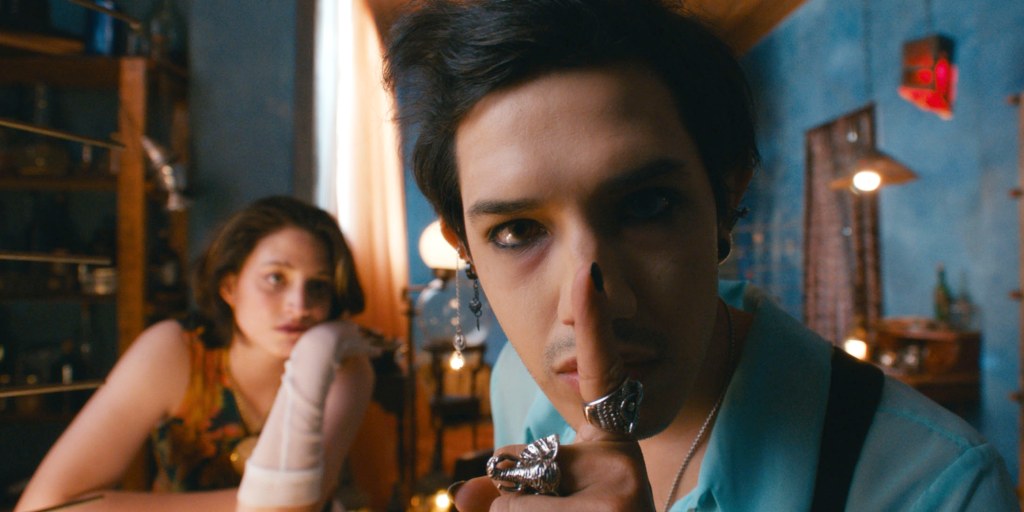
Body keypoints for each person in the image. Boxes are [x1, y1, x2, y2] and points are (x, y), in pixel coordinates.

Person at [383, 1, 1020, 510]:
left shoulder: (938, 490)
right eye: (518, 230)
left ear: (725, 199)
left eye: (646, 206)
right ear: (465, 249)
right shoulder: (516, 383)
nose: (595, 304)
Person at [16, 195, 376, 512]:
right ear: (229, 286)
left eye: (318, 286)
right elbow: (45, 505)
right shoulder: (175, 352)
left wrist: (317, 351)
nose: (299, 305)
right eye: (276, 278)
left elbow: (298, 506)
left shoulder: (342, 368)